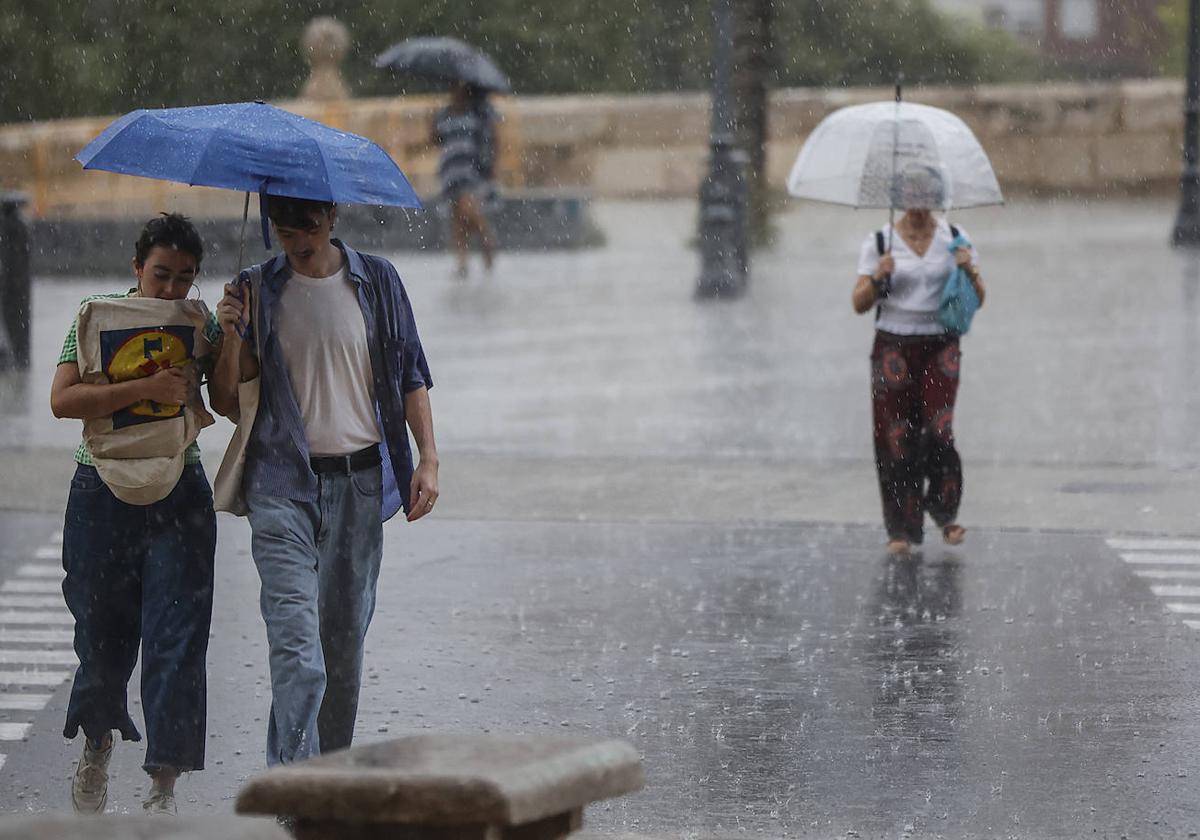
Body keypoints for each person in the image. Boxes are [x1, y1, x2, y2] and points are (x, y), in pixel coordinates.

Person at [210, 195, 438, 767]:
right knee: (299, 656)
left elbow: (411, 373)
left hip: (360, 484)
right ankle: (292, 788)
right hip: (281, 487)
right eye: (284, 231)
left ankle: (328, 784)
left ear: (332, 215)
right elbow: (224, 402)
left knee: (341, 656)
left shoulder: (378, 280)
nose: (297, 241)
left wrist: (428, 457)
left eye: (308, 226)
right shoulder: (255, 289)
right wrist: (231, 331)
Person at [50, 213, 219, 816]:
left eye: (185, 278)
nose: (171, 290)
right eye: (161, 275)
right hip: (101, 490)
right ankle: (96, 745)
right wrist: (144, 393)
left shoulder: (204, 323)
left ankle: (163, 787)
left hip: (180, 489)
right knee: (101, 635)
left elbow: (228, 395)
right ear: (136, 268)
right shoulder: (96, 317)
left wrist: (237, 335)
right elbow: (63, 399)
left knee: (178, 639)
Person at [851, 165, 986, 557]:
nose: (918, 207)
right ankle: (900, 528)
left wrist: (968, 269)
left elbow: (979, 297)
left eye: (926, 198)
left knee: (938, 429)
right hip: (893, 345)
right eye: (911, 197)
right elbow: (858, 304)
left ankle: (944, 512)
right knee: (896, 438)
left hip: (941, 344)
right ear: (900, 198)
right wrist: (879, 277)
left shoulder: (955, 238)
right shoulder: (880, 241)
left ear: (937, 198)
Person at [431, 81, 499, 278]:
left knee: (468, 208)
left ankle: (486, 239)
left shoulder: (477, 112)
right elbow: (437, 140)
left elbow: (492, 137)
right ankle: (462, 261)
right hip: (450, 169)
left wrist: (493, 163)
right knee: (456, 217)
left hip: (470, 168)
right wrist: (430, 123)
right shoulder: (444, 113)